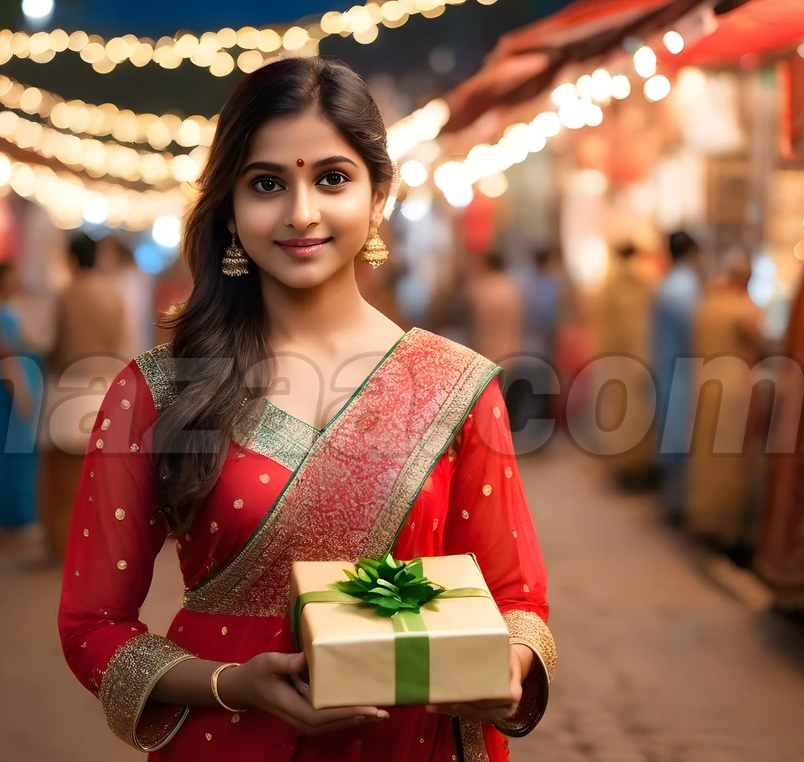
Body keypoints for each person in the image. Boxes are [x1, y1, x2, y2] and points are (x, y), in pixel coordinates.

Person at [57, 58, 554, 762]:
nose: (301, 212)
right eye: (267, 183)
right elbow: (92, 625)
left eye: (332, 178)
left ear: (378, 195)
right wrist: (234, 683)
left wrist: (508, 664)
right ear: (228, 205)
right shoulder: (161, 391)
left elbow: (519, 604)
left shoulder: (456, 385)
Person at [40, 233, 125, 561]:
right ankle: (100, 545)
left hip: (69, 391)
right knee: (102, 479)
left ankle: (64, 546)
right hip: (106, 390)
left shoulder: (65, 295)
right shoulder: (113, 296)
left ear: (72, 259)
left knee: (62, 478)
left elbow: (50, 341)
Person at [686, 251, 767, 557]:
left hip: (705, 383)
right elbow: (761, 345)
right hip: (735, 388)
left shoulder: (706, 305)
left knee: (707, 454)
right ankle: (728, 528)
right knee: (731, 459)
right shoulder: (743, 309)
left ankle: (704, 518)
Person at [0, 261, 40, 538]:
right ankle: (7, 519)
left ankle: (1, 519)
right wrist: (21, 393)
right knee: (7, 452)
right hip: (4, 393)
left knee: (2, 452)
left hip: (1, 390)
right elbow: (4, 356)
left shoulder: (3, 309)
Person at [651, 231, 703, 524]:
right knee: (681, 436)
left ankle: (675, 503)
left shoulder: (669, 283)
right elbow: (696, 325)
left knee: (673, 434)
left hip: (670, 367)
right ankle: (679, 506)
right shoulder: (683, 285)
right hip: (682, 370)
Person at [599, 243, 656, 488]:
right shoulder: (643, 284)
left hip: (616, 361)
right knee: (635, 416)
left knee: (621, 416)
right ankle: (634, 471)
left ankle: (626, 470)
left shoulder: (610, 286)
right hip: (638, 359)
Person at [464, 250, 522, 366]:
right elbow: (517, 322)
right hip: (508, 350)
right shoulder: (511, 289)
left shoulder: (480, 290)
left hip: (484, 350)